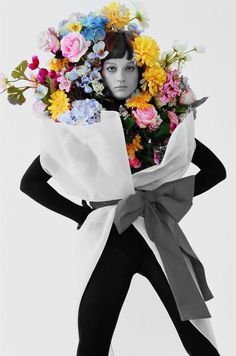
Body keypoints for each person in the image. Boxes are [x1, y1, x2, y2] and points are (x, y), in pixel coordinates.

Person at [20, 31, 226, 356]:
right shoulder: (80, 125)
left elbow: (216, 171)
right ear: (97, 72)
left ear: (142, 71)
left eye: (130, 67)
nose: (121, 76)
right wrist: (84, 214)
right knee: (93, 342)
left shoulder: (162, 120)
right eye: (111, 68)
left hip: (151, 232)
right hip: (107, 240)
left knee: (194, 333)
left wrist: (163, 196)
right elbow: (30, 182)